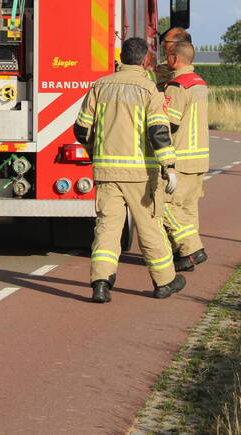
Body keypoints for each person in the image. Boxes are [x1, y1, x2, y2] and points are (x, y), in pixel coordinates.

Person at [74, 37, 186, 303]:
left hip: (106, 173)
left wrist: (95, 151)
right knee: (149, 227)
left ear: (120, 57)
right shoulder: (149, 90)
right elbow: (158, 132)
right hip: (139, 175)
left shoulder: (99, 86)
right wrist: (169, 166)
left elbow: (81, 129)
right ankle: (165, 282)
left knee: (107, 228)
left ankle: (101, 283)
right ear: (145, 60)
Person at [159, 42, 210, 272]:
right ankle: (185, 257)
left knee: (165, 206)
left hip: (181, 159)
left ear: (174, 59)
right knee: (189, 209)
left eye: (166, 56)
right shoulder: (199, 83)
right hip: (200, 158)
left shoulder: (177, 87)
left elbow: (169, 123)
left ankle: (192, 249)